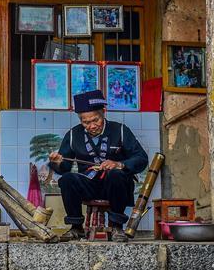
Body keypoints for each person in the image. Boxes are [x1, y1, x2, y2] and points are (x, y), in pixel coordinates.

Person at [48, 89, 149, 242]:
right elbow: (65, 168)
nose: (91, 126)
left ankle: (116, 227)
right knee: (68, 179)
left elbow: (141, 158)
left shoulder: (120, 130)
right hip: (89, 186)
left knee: (116, 174)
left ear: (103, 112)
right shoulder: (73, 135)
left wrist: (120, 164)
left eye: (95, 120)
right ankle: (76, 228)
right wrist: (57, 163)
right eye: (85, 122)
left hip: (115, 187)